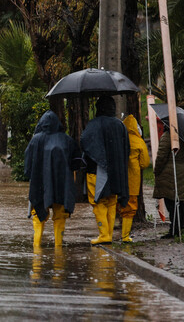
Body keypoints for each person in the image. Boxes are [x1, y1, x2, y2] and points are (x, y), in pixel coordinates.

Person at [25, 110, 81, 248]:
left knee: (38, 213)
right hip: (62, 184)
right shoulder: (66, 140)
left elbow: (27, 167)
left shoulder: (35, 140)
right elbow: (77, 162)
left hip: (39, 184)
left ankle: (37, 248)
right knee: (60, 214)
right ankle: (58, 247)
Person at [80, 96, 130, 245]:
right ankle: (108, 234)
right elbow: (126, 149)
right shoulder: (120, 125)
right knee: (111, 201)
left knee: (98, 202)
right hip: (116, 172)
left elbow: (85, 143)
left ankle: (104, 234)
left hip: (97, 170)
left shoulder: (94, 124)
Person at [120, 115, 150, 242]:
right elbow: (144, 163)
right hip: (132, 180)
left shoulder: (120, 140)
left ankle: (108, 233)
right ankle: (125, 235)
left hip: (118, 179)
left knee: (117, 205)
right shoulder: (139, 142)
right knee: (130, 206)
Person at [152, 127, 184, 238]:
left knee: (172, 204)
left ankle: (174, 230)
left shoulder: (168, 135)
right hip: (181, 171)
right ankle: (180, 228)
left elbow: (161, 156)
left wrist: (157, 171)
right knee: (181, 203)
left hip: (169, 173)